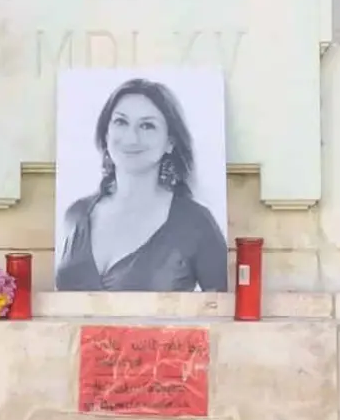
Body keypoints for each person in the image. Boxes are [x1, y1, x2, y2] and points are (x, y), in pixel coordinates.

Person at [56, 77, 229, 292]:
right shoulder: (75, 215)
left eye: (147, 126)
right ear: (106, 133)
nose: (131, 137)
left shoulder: (197, 224)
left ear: (170, 142)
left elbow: (223, 314)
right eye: (121, 122)